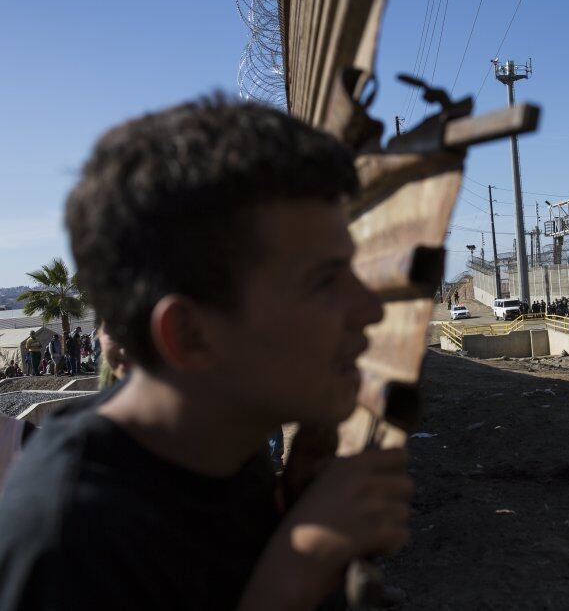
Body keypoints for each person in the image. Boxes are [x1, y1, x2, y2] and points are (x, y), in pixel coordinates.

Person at [0, 96, 410, 610]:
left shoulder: (217, 447)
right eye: (324, 281)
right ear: (190, 336)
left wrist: (288, 513)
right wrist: (296, 570)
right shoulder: (68, 540)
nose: (370, 308)